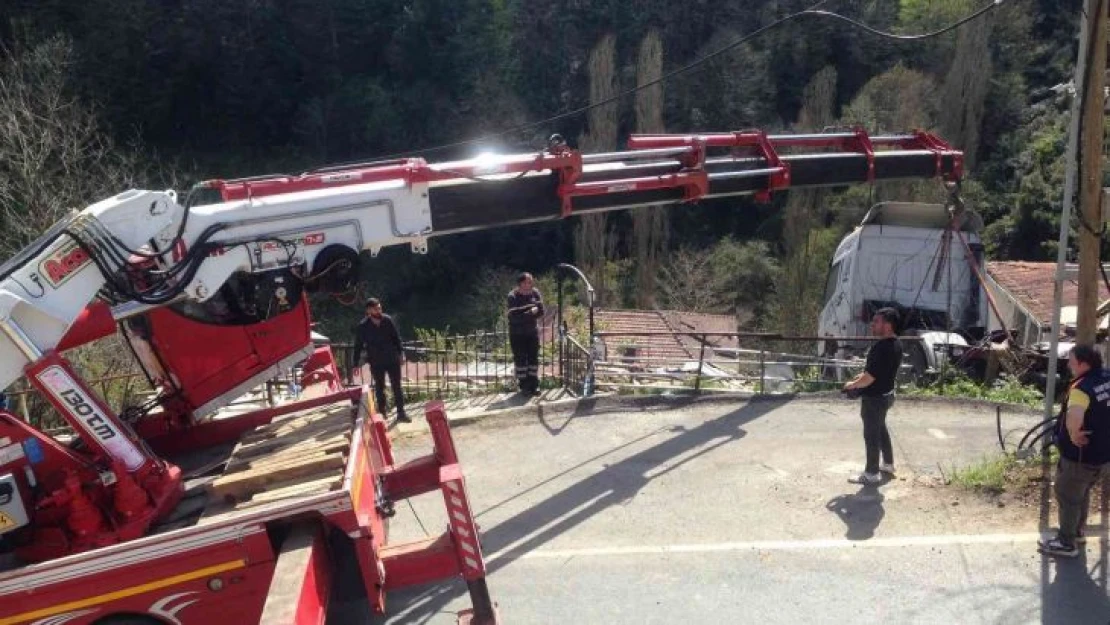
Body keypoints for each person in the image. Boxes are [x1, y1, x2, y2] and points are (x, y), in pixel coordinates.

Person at [1039, 344, 1110, 558]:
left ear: (1083, 363)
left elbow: (1074, 417)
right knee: (1082, 491)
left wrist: (1072, 433)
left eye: (1071, 360)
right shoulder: (1107, 378)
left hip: (1080, 457)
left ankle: (1066, 542)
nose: (1069, 365)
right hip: (1104, 456)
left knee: (1067, 495)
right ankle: (1077, 531)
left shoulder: (1082, 387)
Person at [843, 307, 903, 485]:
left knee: (871, 435)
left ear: (888, 325)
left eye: (876, 321)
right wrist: (859, 379)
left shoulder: (881, 348)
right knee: (881, 429)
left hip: (875, 398)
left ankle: (871, 473)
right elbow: (877, 373)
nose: (872, 325)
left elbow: (869, 378)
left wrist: (851, 385)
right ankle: (888, 464)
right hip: (887, 395)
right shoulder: (896, 344)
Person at [352, 298, 409, 422]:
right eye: (376, 308)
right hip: (376, 361)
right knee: (379, 387)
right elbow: (358, 346)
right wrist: (355, 364)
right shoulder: (363, 326)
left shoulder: (387, 320)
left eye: (380, 307)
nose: (379, 310)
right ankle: (382, 414)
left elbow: (396, 338)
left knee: (397, 386)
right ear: (369, 310)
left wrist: (401, 354)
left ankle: (401, 413)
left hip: (392, 358)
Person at [506, 272, 544, 395]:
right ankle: (524, 386)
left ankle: (534, 385)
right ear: (521, 283)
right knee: (521, 360)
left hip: (532, 332)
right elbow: (513, 318)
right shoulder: (513, 296)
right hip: (517, 334)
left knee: (533, 358)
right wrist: (530, 313)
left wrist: (525, 314)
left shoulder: (535, 293)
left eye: (531, 281)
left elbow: (541, 311)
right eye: (528, 282)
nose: (531, 284)